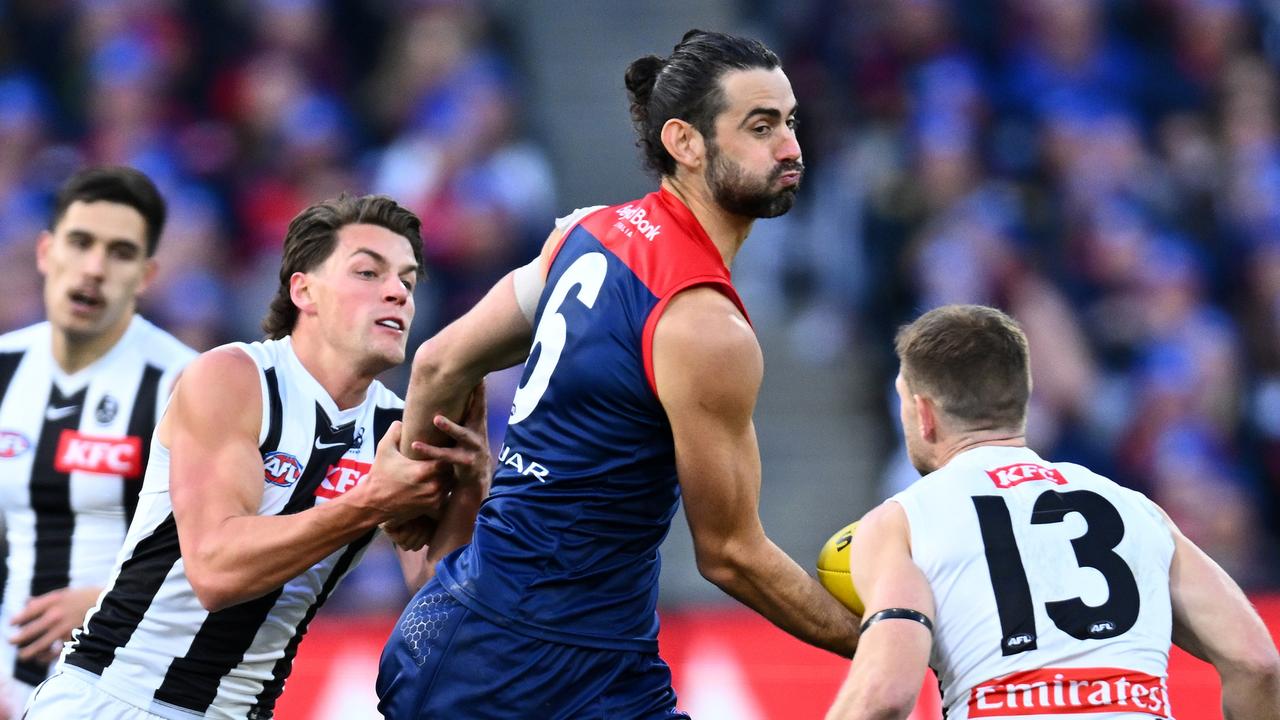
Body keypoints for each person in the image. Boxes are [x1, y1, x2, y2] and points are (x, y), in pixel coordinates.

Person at [376, 29, 862, 719]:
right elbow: (730, 554)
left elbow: (439, 362)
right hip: (529, 672)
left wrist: (426, 533)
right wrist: (884, 643)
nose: (790, 146)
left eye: (789, 122)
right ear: (685, 143)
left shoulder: (584, 234)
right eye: (760, 127)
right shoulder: (701, 324)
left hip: (535, 647)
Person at [24, 194, 491, 719]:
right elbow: (216, 573)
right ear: (303, 290)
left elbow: (435, 599)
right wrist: (369, 502)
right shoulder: (234, 378)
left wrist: (472, 488)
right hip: (115, 699)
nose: (397, 293)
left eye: (407, 281)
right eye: (368, 272)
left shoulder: (398, 429)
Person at [825, 304, 1280, 720]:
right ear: (1019, 400)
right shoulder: (1136, 508)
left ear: (923, 412)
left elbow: (885, 692)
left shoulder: (902, 520)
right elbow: (1256, 662)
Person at [0, 166, 196, 716]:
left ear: (146, 275)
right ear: (45, 252)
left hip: (130, 689)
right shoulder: (4, 370)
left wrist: (104, 601)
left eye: (120, 252)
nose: (93, 269)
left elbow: (221, 553)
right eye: (80, 243)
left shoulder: (188, 384)